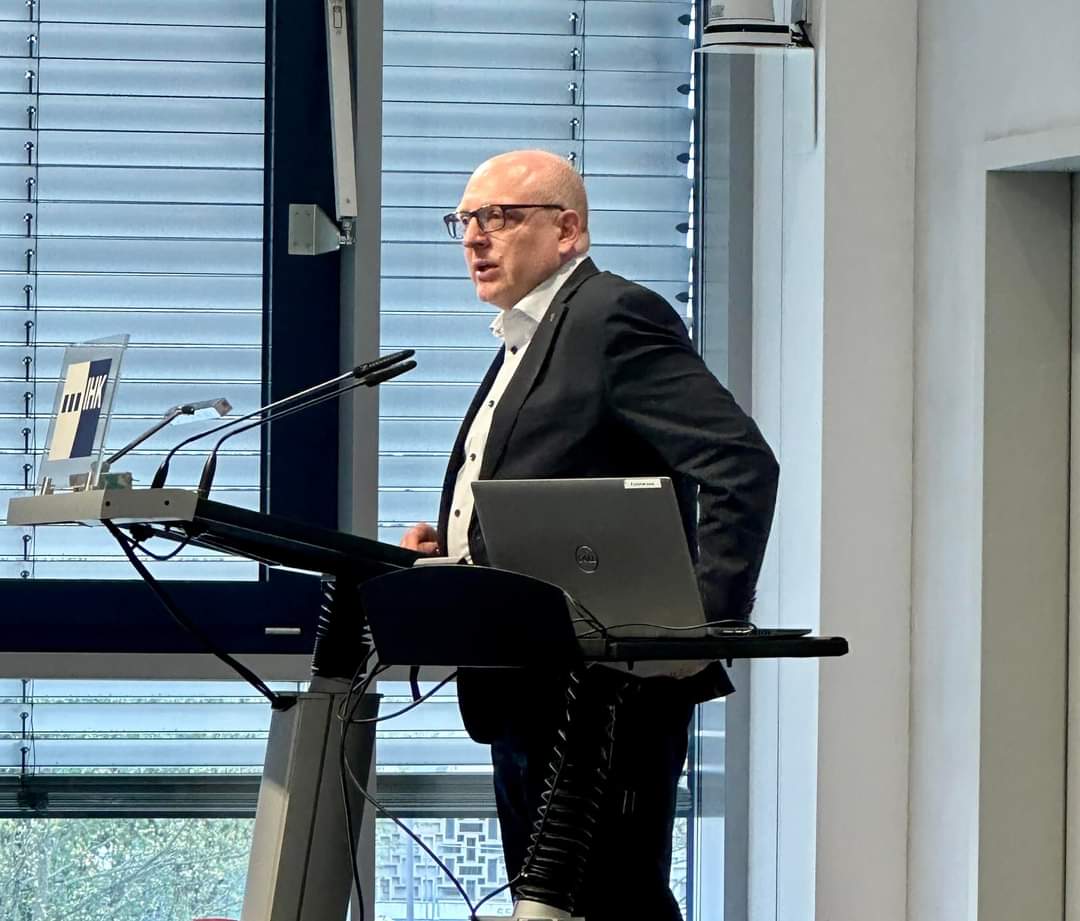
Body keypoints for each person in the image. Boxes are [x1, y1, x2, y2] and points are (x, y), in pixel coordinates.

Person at [402, 150, 778, 920]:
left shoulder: (611, 317)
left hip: (607, 689)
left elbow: (739, 462)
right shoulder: (527, 335)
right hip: (523, 676)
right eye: (464, 221)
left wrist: (697, 627)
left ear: (567, 229)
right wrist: (458, 553)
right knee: (550, 905)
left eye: (499, 217)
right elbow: (552, 475)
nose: (474, 237)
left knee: (617, 902)